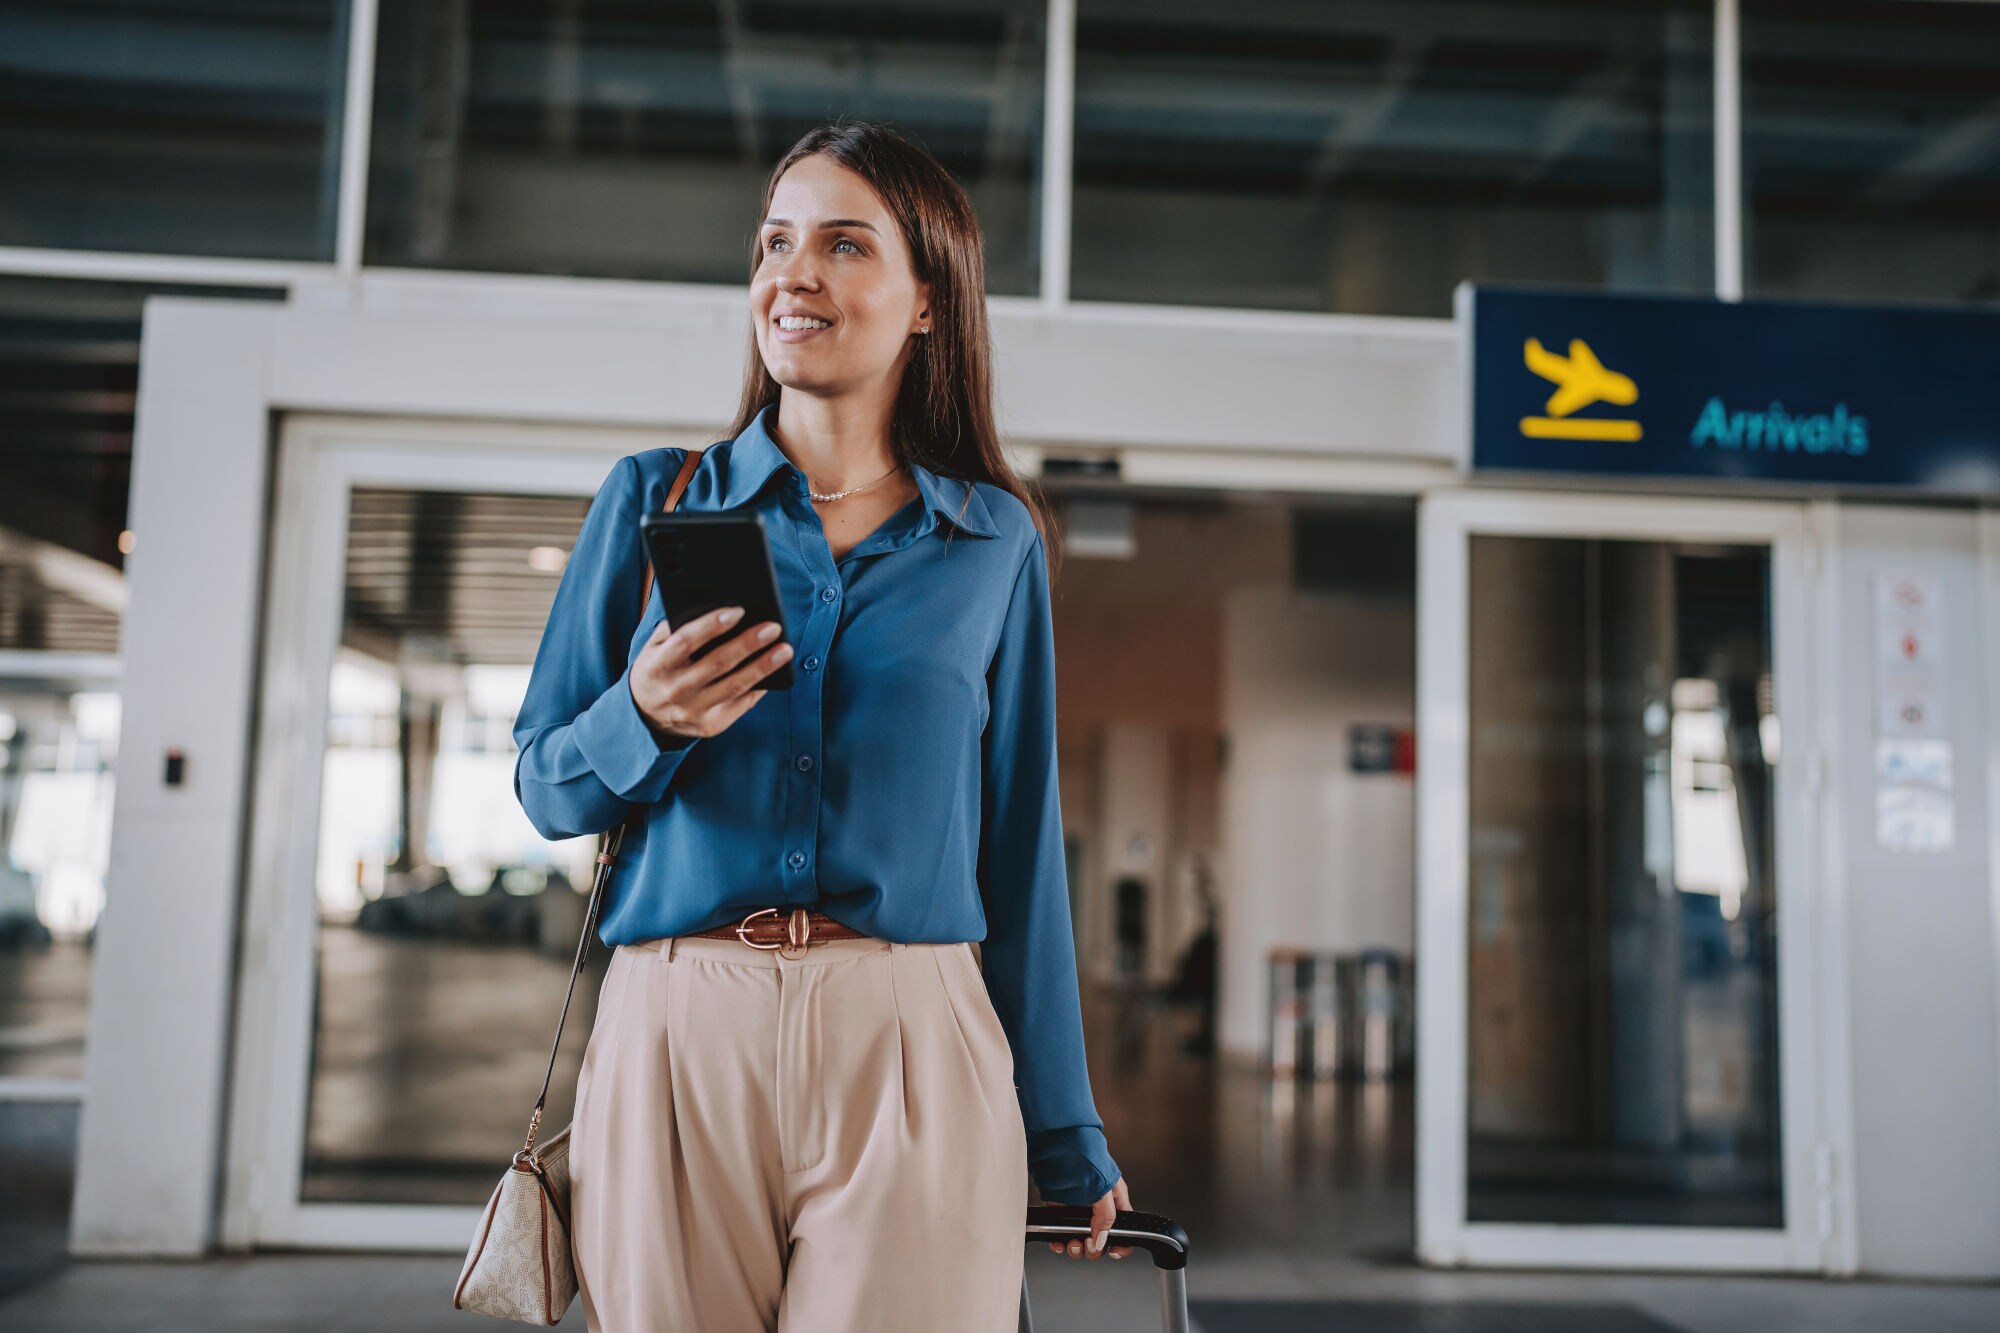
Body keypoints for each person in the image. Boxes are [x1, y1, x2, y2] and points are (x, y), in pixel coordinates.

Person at [511, 119, 1133, 1333]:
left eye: (844, 244)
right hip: (676, 1029)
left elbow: (1018, 846)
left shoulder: (990, 540)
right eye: (773, 244)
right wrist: (643, 716)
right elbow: (546, 789)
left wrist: (1063, 1128)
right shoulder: (651, 499)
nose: (792, 274)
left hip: (909, 1032)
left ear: (927, 301)